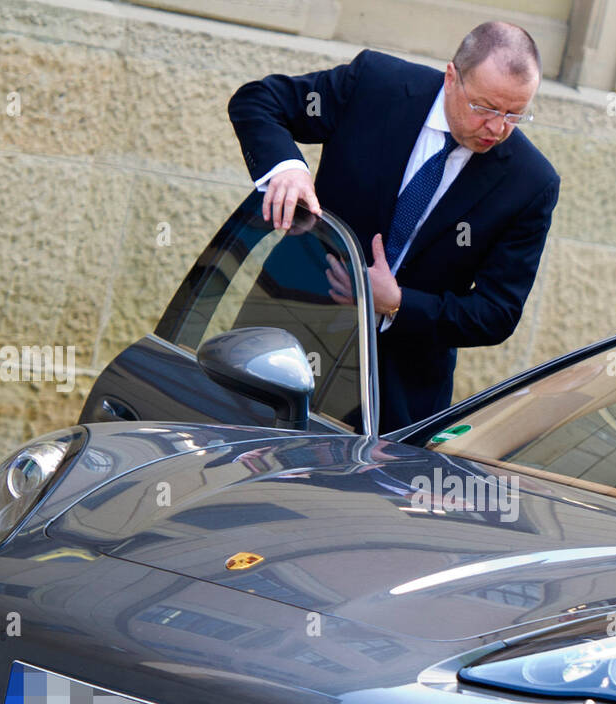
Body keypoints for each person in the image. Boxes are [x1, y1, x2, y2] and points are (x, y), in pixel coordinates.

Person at [229, 22, 560, 431]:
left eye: (515, 114)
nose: (497, 128)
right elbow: (259, 101)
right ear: (452, 76)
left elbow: (496, 312)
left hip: (396, 399)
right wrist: (288, 168)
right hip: (285, 332)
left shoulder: (532, 183)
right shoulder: (376, 84)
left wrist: (399, 303)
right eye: (485, 107)